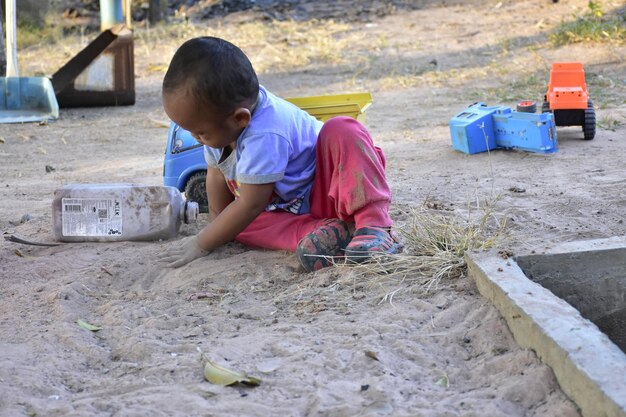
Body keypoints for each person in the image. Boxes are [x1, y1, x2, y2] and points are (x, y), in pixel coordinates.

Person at [158, 36, 402, 272]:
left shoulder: (265, 132)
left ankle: (374, 225)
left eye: (200, 132)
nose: (197, 138)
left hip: (331, 192)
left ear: (240, 118)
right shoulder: (221, 125)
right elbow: (216, 174)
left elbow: (252, 203)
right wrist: (215, 229)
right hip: (286, 210)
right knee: (232, 225)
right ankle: (328, 233)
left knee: (342, 128)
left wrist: (201, 243)